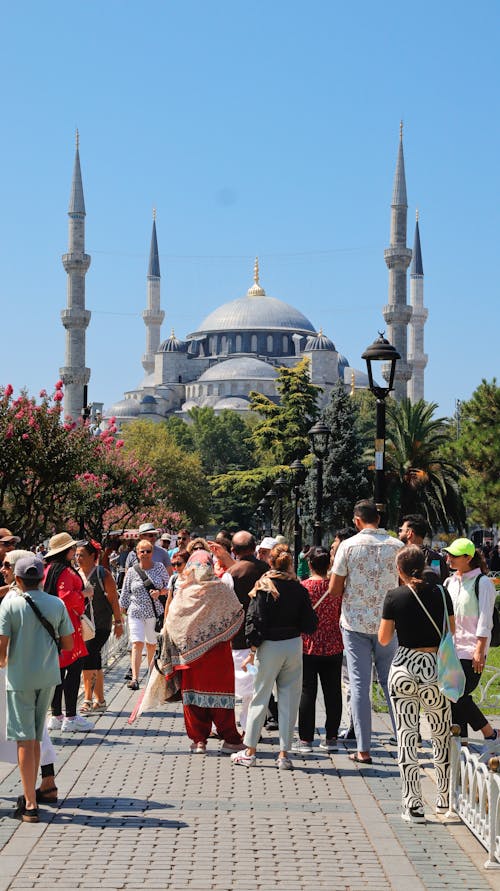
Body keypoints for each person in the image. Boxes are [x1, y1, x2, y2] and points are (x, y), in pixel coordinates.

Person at [378, 545, 454, 823]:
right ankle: (445, 799)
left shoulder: (394, 596)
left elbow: (384, 639)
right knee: (440, 733)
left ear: (399, 570)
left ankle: (413, 805)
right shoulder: (442, 593)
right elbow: (451, 631)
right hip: (434, 669)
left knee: (407, 737)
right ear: (423, 566)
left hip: (404, 669)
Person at [328, 500, 403, 764]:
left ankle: (363, 749)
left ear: (357, 521)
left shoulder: (348, 547)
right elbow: (405, 584)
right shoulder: (397, 547)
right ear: (379, 520)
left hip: (355, 624)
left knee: (359, 685)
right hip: (388, 623)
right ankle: (405, 745)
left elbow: (335, 590)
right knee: (391, 682)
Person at [231, 544, 318, 770]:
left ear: (270, 562)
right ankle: (284, 754)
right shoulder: (298, 588)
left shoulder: (264, 587)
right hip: (293, 645)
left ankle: (250, 750)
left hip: (269, 646)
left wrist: (252, 650)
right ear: (290, 563)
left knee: (260, 696)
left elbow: (255, 620)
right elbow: (310, 623)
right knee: (289, 700)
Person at [0, 555, 74, 822]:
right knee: (36, 734)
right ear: (42, 577)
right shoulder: (57, 603)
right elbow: (67, 644)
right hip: (48, 676)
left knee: (24, 739)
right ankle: (33, 793)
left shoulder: (10, 604)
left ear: (18, 579)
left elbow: (1, 647)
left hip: (19, 679)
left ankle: (30, 804)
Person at [164, 549, 245, 754]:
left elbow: (173, 622)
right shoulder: (221, 589)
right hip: (218, 654)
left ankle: (199, 741)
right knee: (222, 699)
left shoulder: (184, 591)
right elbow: (237, 613)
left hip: (191, 658)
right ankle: (230, 740)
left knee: (193, 700)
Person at [443, 538, 498, 746]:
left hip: (471, 650)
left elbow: (486, 620)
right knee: (453, 698)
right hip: (450, 649)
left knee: (458, 694)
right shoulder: (449, 582)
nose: (449, 558)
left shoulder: (482, 583)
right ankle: (461, 744)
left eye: (454, 555)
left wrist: (480, 650)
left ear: (467, 558)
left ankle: (489, 733)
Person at [44, 532, 94, 733]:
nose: (75, 552)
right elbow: (66, 597)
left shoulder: (48, 570)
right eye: (73, 549)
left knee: (56, 673)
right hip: (69, 627)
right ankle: (71, 717)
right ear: (66, 551)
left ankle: (56, 715)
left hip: (51, 628)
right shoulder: (65, 572)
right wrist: (84, 593)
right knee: (73, 672)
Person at [296, 547, 343, 753]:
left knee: (307, 691)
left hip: (308, 645)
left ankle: (306, 739)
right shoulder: (336, 589)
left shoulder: (303, 588)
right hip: (333, 643)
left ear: (310, 564)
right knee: (333, 691)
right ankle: (331, 737)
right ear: (329, 565)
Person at [75, 540, 124, 713]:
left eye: (82, 555)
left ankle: (87, 699)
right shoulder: (75, 574)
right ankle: (101, 700)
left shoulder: (103, 574)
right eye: (76, 554)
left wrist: (118, 622)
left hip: (101, 625)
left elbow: (113, 599)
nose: (78, 558)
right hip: (83, 625)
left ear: (92, 556)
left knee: (89, 655)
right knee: (94, 659)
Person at [119, 538, 168, 690]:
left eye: (148, 551)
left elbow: (169, 586)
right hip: (135, 612)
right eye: (142, 551)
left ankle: (151, 677)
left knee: (151, 645)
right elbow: (125, 593)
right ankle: (135, 678)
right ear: (137, 553)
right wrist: (120, 615)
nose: (145, 554)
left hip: (153, 612)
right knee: (137, 643)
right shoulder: (132, 571)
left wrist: (159, 592)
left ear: (152, 553)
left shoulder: (159, 567)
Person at [398, 514, 449, 582]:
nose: (399, 533)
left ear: (409, 533)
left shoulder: (402, 557)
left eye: (401, 530)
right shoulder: (436, 558)